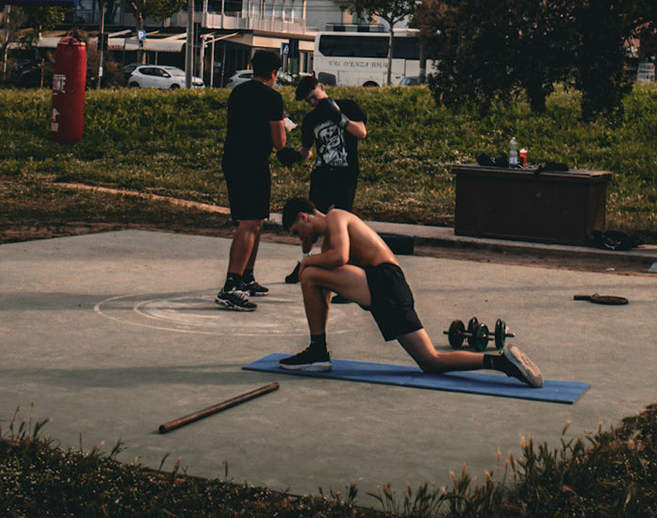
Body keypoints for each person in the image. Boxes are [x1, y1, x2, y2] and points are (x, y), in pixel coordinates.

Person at [276, 196, 542, 386]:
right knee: (431, 362)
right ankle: (501, 362)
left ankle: (318, 350)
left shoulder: (336, 217)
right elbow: (326, 282)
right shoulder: (327, 243)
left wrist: (305, 261)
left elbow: (340, 257)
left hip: (384, 281)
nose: (301, 238)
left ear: (304, 217)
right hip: (390, 286)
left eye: (298, 232)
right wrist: (310, 259)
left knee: (309, 273)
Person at [216, 48, 290, 311]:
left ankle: (246, 277)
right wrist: (284, 125)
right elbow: (279, 142)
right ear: (274, 73)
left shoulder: (238, 92)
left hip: (234, 159)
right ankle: (230, 286)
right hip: (252, 163)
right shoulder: (273, 97)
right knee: (249, 223)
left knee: (256, 221)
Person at [283, 76, 368, 282]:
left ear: (321, 87)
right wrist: (294, 156)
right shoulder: (310, 120)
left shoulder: (347, 106)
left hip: (346, 173)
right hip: (322, 175)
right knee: (310, 220)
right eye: (308, 101)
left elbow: (361, 132)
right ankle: (304, 260)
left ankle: (344, 266)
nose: (313, 102)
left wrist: (339, 117)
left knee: (343, 223)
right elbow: (307, 151)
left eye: (314, 97)